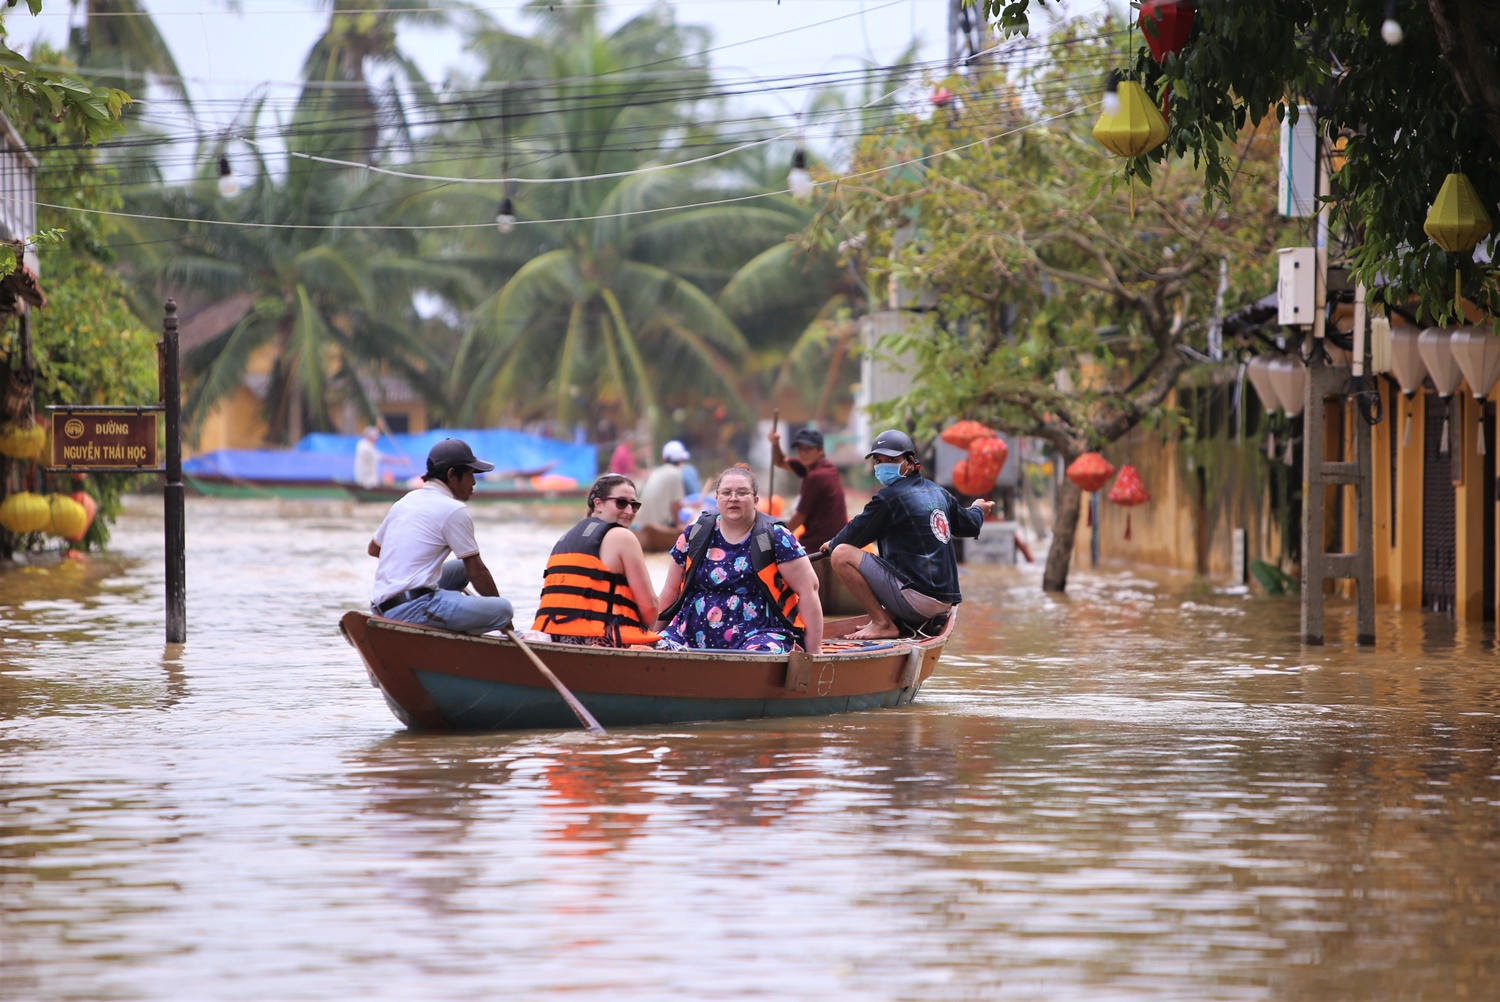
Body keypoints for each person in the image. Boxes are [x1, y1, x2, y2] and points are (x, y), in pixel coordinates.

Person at [821, 430, 993, 641]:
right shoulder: (938, 491)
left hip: (918, 599)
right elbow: (970, 525)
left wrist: (832, 544)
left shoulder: (888, 498)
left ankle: (882, 623)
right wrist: (978, 509)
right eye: (878, 460)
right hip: (944, 601)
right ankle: (889, 616)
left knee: (841, 555)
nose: (883, 465)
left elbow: (850, 537)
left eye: (892, 459)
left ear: (910, 462)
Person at [655, 466, 823, 655]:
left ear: (755, 500)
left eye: (742, 492)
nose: (733, 498)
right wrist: (652, 634)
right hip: (689, 633)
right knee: (657, 646)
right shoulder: (695, 533)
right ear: (717, 498)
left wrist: (814, 651)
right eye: (726, 493)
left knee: (761, 655)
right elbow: (670, 590)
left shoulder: (775, 536)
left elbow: (809, 589)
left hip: (759, 634)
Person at [367, 439, 514, 634]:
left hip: (380, 605)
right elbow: (477, 573)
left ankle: (447, 611)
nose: (474, 482)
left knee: (461, 568)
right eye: (470, 474)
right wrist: (505, 621)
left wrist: (411, 569)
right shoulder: (454, 510)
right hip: (412, 609)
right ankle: (454, 622)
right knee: (503, 609)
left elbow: (374, 549)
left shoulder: (406, 500)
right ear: (453, 475)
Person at [532, 474, 660, 647]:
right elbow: (650, 607)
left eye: (634, 505)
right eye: (621, 502)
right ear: (598, 504)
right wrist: (646, 633)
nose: (629, 511)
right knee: (676, 645)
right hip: (602, 640)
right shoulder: (623, 537)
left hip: (552, 638)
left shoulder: (565, 537)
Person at [768, 425, 848, 550]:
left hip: (818, 544)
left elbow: (799, 517)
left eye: (808, 449)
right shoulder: (824, 467)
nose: (803, 453)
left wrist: (775, 538)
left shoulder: (816, 476)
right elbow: (780, 462)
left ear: (820, 450)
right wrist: (776, 443)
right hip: (835, 540)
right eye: (800, 449)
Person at [636, 439, 690, 552]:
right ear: (680, 461)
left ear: (664, 459)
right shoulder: (676, 473)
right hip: (662, 524)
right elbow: (675, 505)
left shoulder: (655, 472)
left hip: (643, 524)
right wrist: (678, 526)